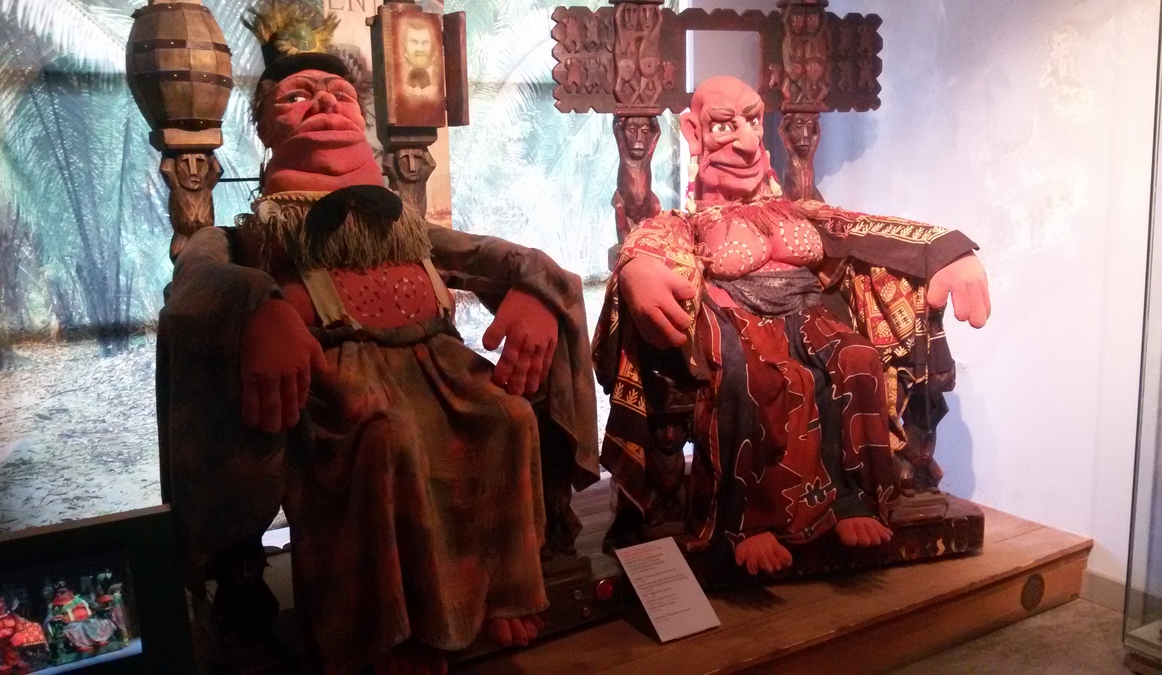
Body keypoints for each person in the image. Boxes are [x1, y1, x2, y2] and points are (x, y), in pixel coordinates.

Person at [158, 7, 598, 671]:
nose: (322, 103)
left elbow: (490, 255)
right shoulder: (252, 233)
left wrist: (538, 287)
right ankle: (388, 627)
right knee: (381, 439)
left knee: (507, 418)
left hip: (439, 365)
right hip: (339, 383)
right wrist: (257, 305)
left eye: (338, 94)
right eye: (297, 96)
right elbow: (196, 278)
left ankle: (503, 587)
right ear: (266, 129)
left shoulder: (402, 224)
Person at [594, 75, 989, 576]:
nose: (745, 142)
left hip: (807, 311)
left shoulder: (801, 213)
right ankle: (746, 521)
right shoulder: (692, 222)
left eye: (753, 121)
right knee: (752, 377)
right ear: (694, 134)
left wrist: (949, 250)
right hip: (736, 314)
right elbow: (650, 238)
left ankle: (851, 498)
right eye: (724, 126)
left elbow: (869, 229)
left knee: (858, 360)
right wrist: (639, 267)